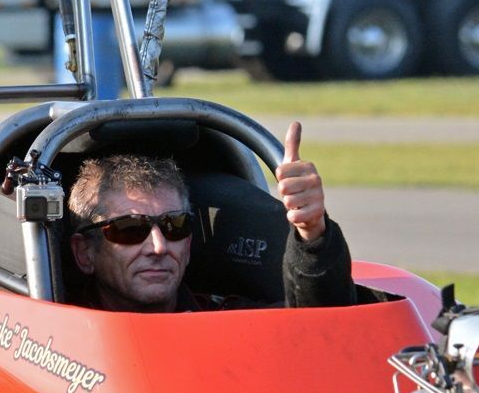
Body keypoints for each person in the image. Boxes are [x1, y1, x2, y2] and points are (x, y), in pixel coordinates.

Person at [67, 122, 355, 313]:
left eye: (174, 226)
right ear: (85, 253)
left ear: (190, 244)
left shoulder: (225, 317)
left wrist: (312, 232)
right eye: (129, 229)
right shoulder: (53, 338)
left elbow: (324, 322)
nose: (159, 247)